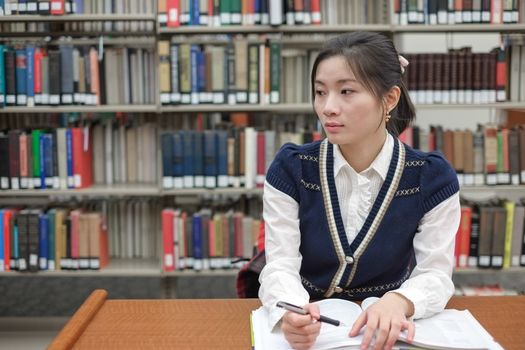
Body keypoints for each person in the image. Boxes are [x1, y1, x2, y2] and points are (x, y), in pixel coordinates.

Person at [258, 31, 461, 350]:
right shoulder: (292, 168)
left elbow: (435, 273)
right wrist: (290, 310)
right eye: (320, 92)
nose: (328, 108)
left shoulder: (431, 178)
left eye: (347, 92)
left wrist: (399, 301)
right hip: (314, 331)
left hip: (388, 330)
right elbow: (280, 263)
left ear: (390, 98)